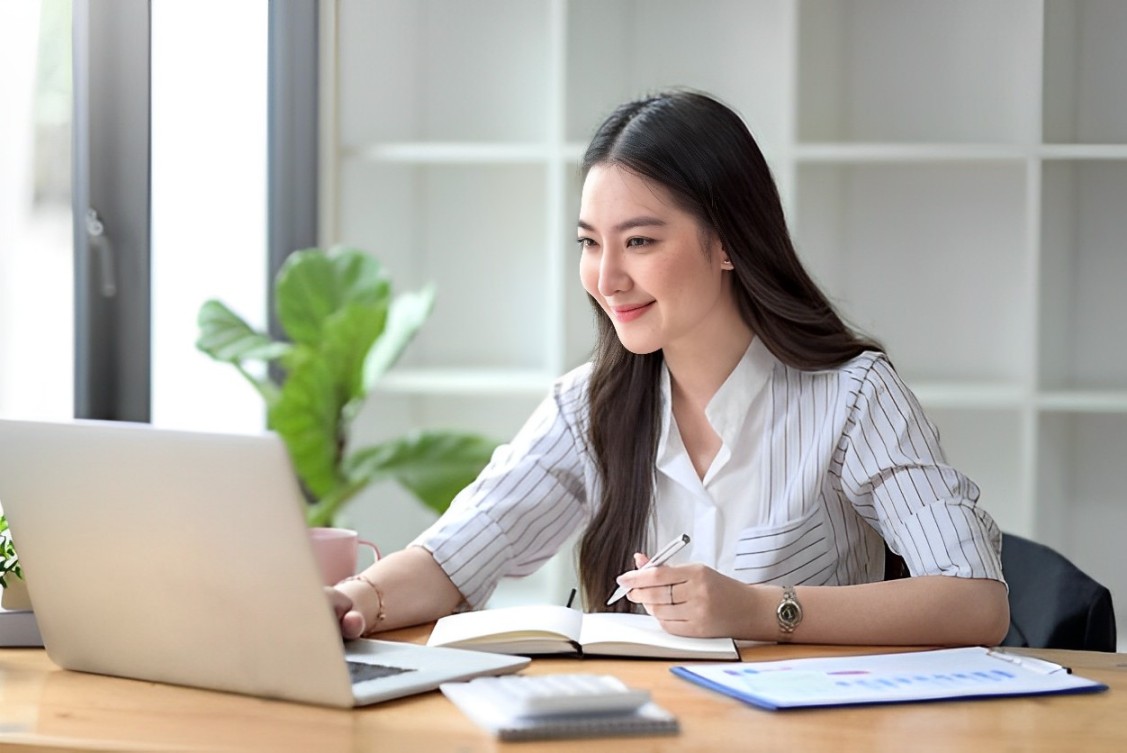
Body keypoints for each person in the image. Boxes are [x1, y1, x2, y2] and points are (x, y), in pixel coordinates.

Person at [329, 89, 1010, 646]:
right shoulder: (586, 406)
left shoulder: (852, 395)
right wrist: (349, 602)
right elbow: (455, 553)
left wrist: (758, 609)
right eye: (590, 243)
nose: (606, 276)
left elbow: (974, 600)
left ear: (725, 242)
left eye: (640, 241)